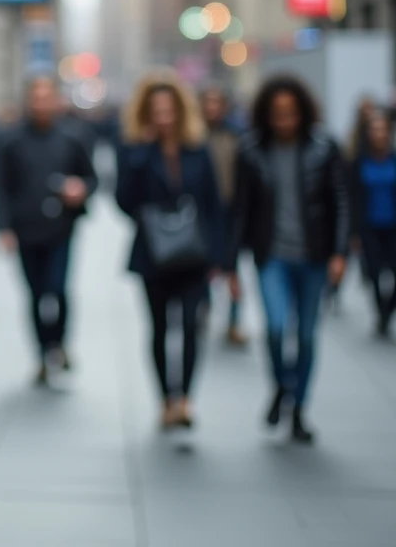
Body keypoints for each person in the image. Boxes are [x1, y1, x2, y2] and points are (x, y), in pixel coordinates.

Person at [229, 75, 349, 445]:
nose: (285, 121)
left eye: (291, 114)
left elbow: (342, 202)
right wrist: (229, 264)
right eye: (278, 114)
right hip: (272, 257)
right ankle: (283, 385)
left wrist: (339, 253)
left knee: (308, 335)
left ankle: (298, 407)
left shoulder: (325, 148)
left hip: (314, 256)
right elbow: (240, 211)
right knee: (277, 329)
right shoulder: (251, 152)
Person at [115, 71, 225, 430]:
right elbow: (124, 202)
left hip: (194, 255)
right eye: (156, 111)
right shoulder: (135, 151)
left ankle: (185, 399)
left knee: (193, 326)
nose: (163, 117)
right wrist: (142, 154)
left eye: (168, 110)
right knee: (160, 328)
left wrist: (218, 256)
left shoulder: (197, 148)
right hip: (154, 254)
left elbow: (212, 203)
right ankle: (165, 399)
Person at [0, 76, 96, 384]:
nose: (41, 103)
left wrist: (80, 189)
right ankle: (41, 352)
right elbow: (2, 188)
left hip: (61, 228)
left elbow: (91, 178)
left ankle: (59, 343)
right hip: (26, 230)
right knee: (36, 294)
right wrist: (4, 228)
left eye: (46, 96)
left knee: (58, 289)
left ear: (55, 100)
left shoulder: (72, 138)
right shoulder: (12, 141)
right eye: (35, 97)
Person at [199, 85, 247, 346]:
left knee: (233, 268)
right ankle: (202, 310)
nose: (212, 108)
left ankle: (233, 320)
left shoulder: (236, 135)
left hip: (230, 210)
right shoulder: (194, 135)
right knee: (202, 265)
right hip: (203, 212)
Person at [349, 110, 396, 338]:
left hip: (392, 226)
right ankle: (381, 312)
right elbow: (352, 198)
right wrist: (353, 232)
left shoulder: (393, 159)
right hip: (369, 226)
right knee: (375, 272)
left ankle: (388, 311)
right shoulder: (359, 162)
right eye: (374, 130)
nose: (378, 134)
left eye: (382, 129)